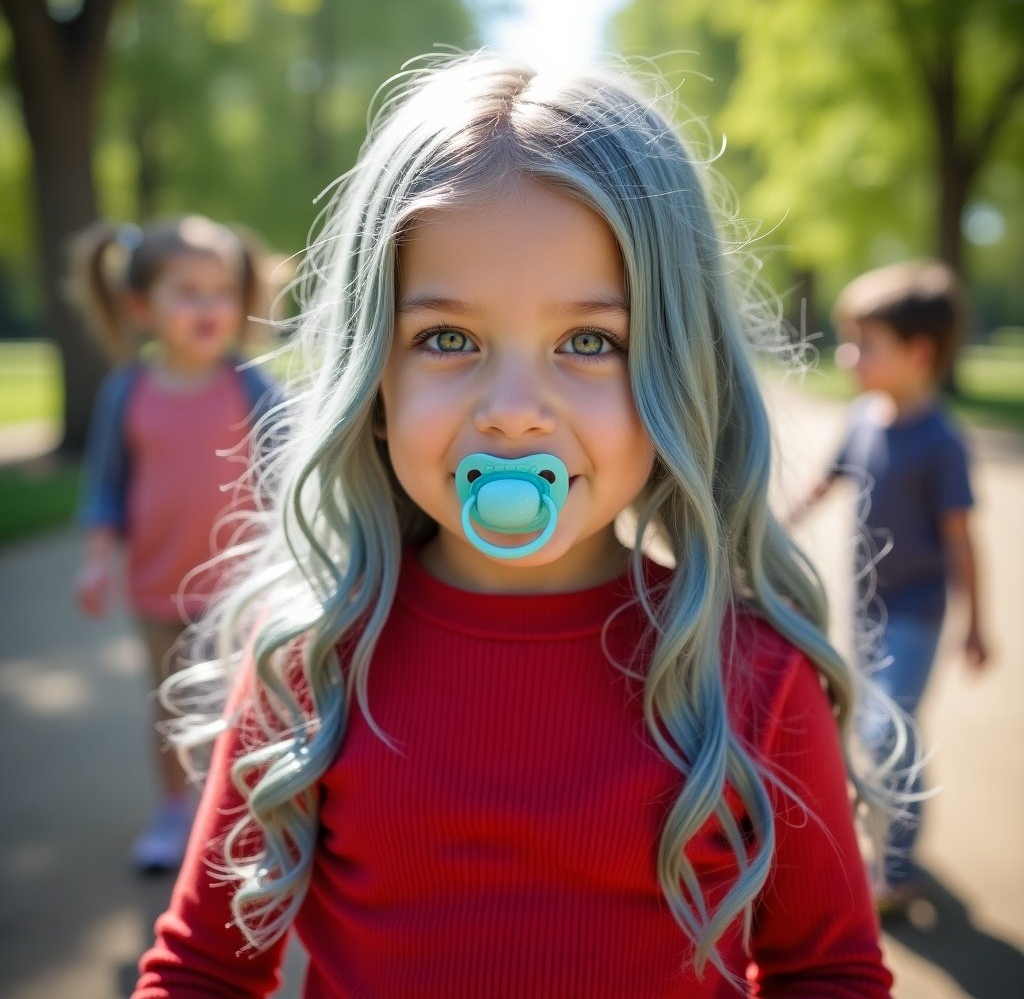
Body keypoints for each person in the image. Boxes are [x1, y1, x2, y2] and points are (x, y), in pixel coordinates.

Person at [132, 56, 895, 997]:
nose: (514, 411)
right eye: (448, 339)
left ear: (681, 374)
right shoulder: (307, 661)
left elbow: (831, 972)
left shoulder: (753, 675)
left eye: (591, 342)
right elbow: (203, 970)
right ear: (375, 380)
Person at [73, 214, 284, 873]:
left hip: (239, 588)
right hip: (157, 587)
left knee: (243, 702)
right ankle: (172, 811)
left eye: (221, 291)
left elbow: (284, 472)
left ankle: (247, 813)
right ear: (141, 307)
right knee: (167, 704)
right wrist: (96, 560)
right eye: (187, 292)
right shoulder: (127, 392)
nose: (209, 306)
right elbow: (107, 485)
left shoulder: (248, 385)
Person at [794, 260, 988, 912]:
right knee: (864, 722)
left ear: (918, 353)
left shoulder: (941, 442)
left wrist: (977, 624)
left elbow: (962, 538)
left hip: (918, 612)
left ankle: (897, 868)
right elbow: (828, 481)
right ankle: (888, 842)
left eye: (864, 345)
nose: (848, 356)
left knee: (887, 732)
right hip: (866, 606)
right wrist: (774, 524)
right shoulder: (863, 418)